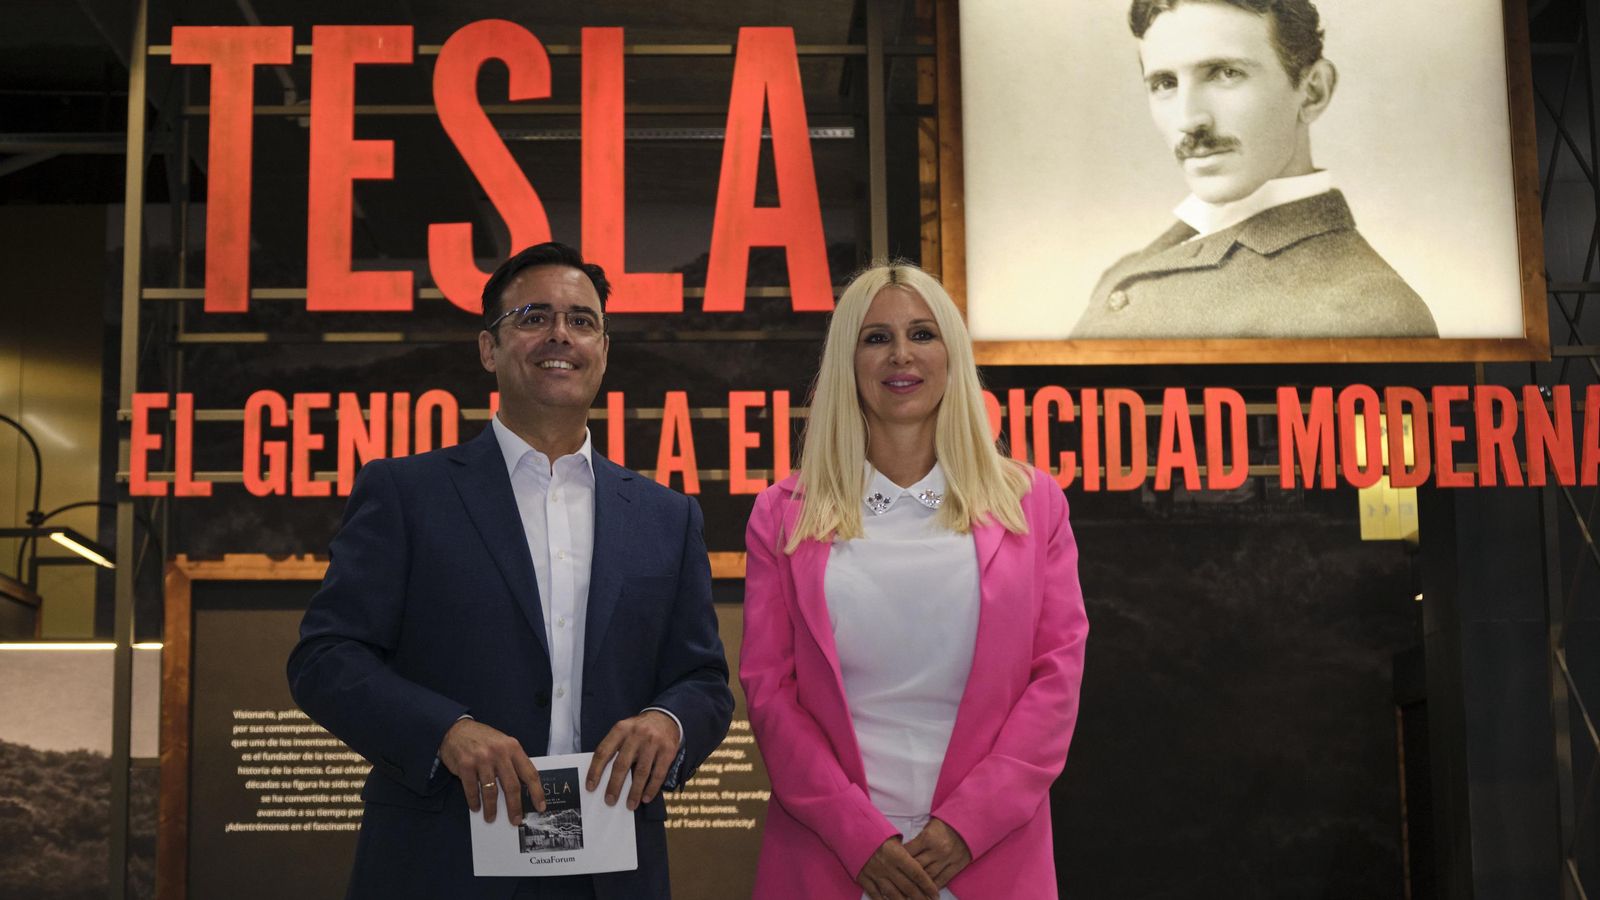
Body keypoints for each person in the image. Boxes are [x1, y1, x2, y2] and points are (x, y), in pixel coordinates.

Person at [287, 241, 734, 900]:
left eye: (582, 321)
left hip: (609, 869)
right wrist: (445, 730)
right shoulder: (406, 494)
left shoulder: (667, 517)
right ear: (489, 349)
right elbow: (324, 659)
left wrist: (668, 723)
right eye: (533, 317)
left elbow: (703, 681)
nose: (561, 335)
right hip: (442, 860)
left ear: (604, 351)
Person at [741, 262, 1089, 899]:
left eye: (923, 333)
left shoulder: (1032, 503)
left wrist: (966, 826)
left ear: (952, 354)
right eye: (876, 338)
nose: (901, 354)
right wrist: (857, 836)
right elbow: (770, 692)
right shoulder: (783, 513)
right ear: (847, 362)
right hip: (830, 858)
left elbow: (1056, 676)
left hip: (989, 856)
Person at [1071, 0, 1439, 339]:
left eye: (1225, 73)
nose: (1188, 119)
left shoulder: (1369, 311)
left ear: (1313, 92)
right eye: (1165, 83)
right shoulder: (1128, 268)